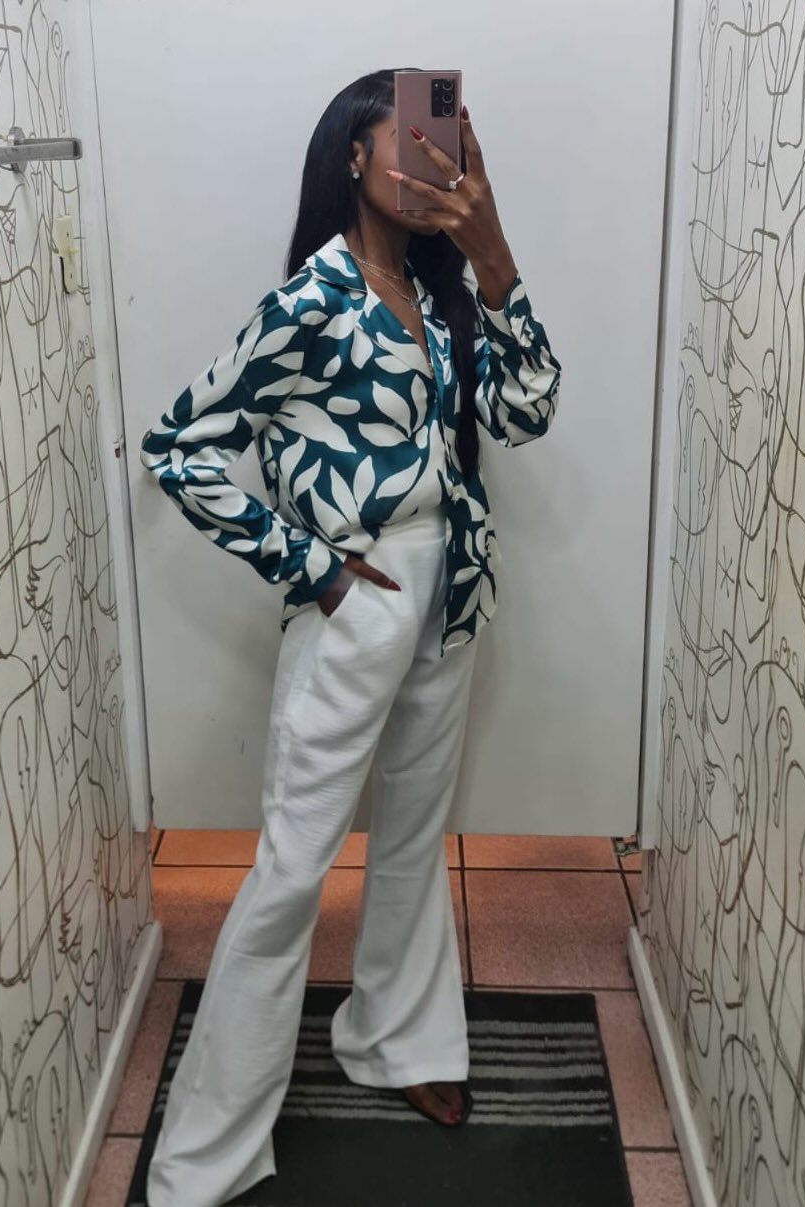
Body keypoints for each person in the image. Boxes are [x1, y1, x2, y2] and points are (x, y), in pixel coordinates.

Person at [139, 67, 561, 1207]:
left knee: (415, 838)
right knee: (292, 869)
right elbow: (177, 445)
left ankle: (397, 1039)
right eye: (406, 146)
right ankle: (207, 1148)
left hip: (450, 594)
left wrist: (494, 256)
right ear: (355, 159)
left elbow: (525, 414)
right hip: (353, 600)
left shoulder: (439, 290)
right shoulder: (312, 299)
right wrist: (312, 567)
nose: (428, 167)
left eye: (445, 148)